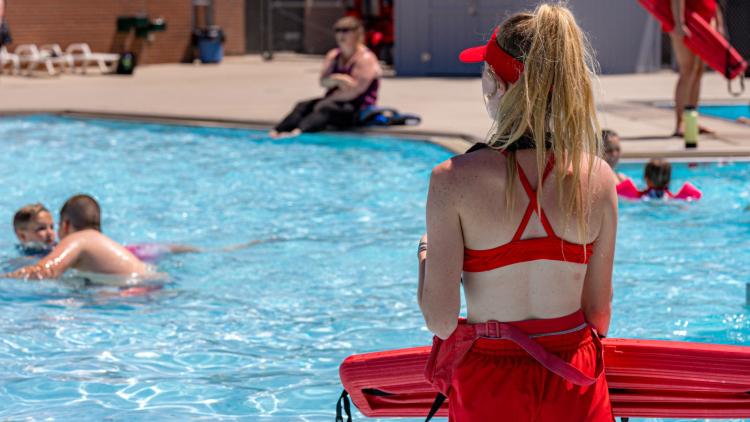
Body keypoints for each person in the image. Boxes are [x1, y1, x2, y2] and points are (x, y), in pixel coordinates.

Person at [417, 4, 617, 421]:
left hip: (491, 380)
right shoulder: (598, 177)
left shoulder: (452, 180)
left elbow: (440, 321)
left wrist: (424, 259)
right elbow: (599, 316)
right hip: (574, 379)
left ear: (496, 84)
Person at [270, 16, 382, 137]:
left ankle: (299, 133)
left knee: (326, 109)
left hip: (358, 108)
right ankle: (277, 131)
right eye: (337, 30)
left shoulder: (365, 58)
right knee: (303, 105)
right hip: (334, 101)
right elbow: (323, 81)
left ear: (357, 33)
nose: (341, 35)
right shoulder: (334, 55)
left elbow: (356, 91)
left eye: (345, 30)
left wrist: (332, 87)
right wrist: (339, 79)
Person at [4, 194, 155, 281]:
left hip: (138, 290)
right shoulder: (98, 240)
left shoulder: (77, 240)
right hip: (148, 283)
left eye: (53, 226)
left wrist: (5, 277)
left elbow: (45, 271)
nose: (51, 233)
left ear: (65, 225)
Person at [668, 0, 723, 136]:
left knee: (698, 71)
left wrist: (718, 22)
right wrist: (679, 24)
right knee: (687, 70)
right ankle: (680, 123)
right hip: (687, 22)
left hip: (704, 23)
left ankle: (691, 121)